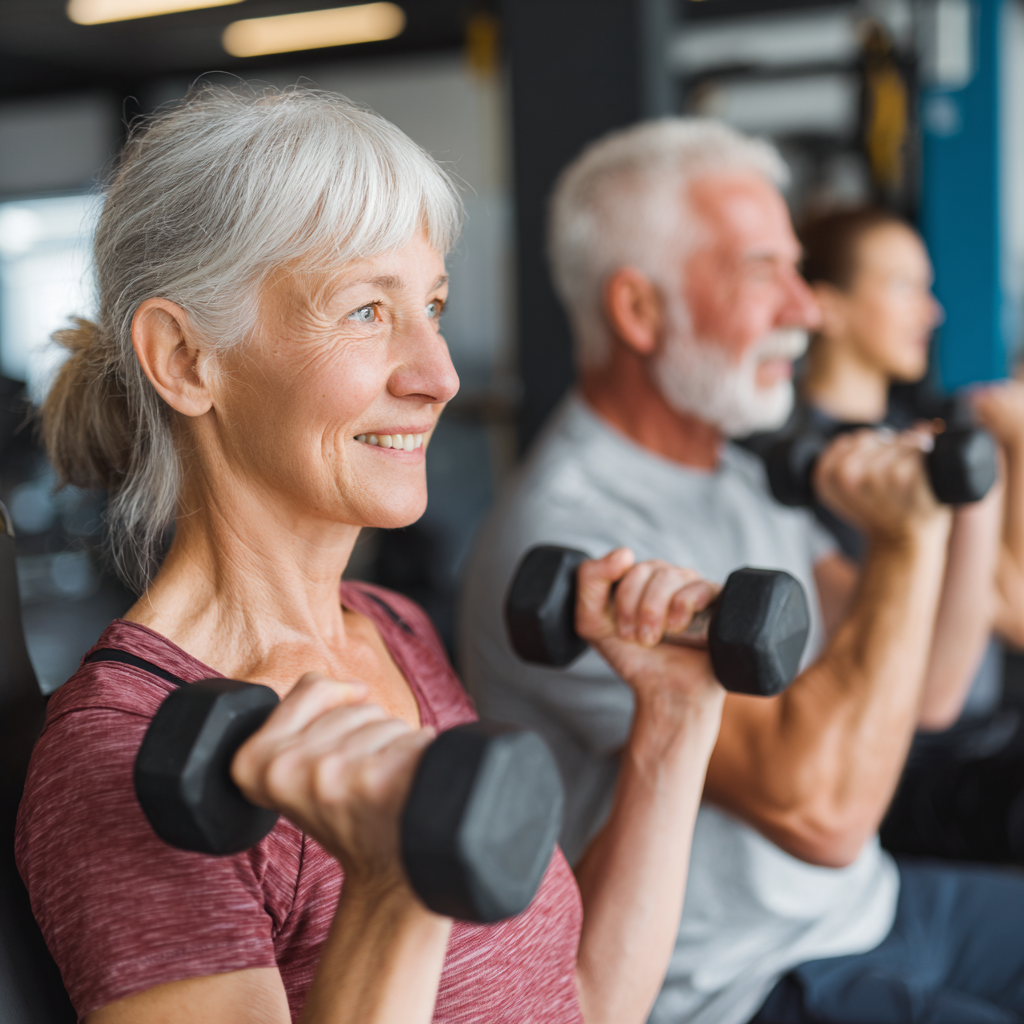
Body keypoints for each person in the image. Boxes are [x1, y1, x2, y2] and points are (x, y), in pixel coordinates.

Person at [14, 87, 728, 1024]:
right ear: (187, 360)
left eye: (429, 306)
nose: (438, 374)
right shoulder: (124, 756)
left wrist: (674, 730)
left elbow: (577, 1000)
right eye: (364, 312)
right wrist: (393, 893)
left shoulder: (391, 630)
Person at [459, 118, 1023, 1024]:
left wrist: (962, 501)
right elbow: (824, 813)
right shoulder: (573, 536)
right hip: (737, 981)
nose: (805, 309)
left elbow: (933, 689)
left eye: (797, 271)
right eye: (764, 273)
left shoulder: (738, 471)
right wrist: (907, 543)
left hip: (865, 910)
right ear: (639, 312)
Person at [798, 206, 1024, 861]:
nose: (932, 312)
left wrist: (1010, 452)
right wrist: (977, 495)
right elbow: (936, 694)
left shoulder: (918, 430)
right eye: (902, 287)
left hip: (984, 730)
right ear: (828, 308)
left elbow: (1012, 603)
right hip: (913, 760)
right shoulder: (819, 471)